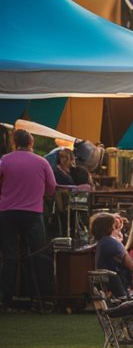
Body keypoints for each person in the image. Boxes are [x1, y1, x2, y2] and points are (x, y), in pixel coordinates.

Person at [0, 129, 56, 310]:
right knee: (38, 254)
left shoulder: (4, 160)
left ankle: (6, 300)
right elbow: (51, 188)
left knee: (9, 256)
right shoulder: (42, 162)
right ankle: (40, 298)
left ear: (14, 142)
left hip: (8, 212)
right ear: (31, 143)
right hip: (33, 213)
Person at [90, 211, 133, 297]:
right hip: (119, 297)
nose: (120, 232)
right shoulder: (111, 242)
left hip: (109, 293)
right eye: (116, 228)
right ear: (109, 229)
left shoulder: (102, 243)